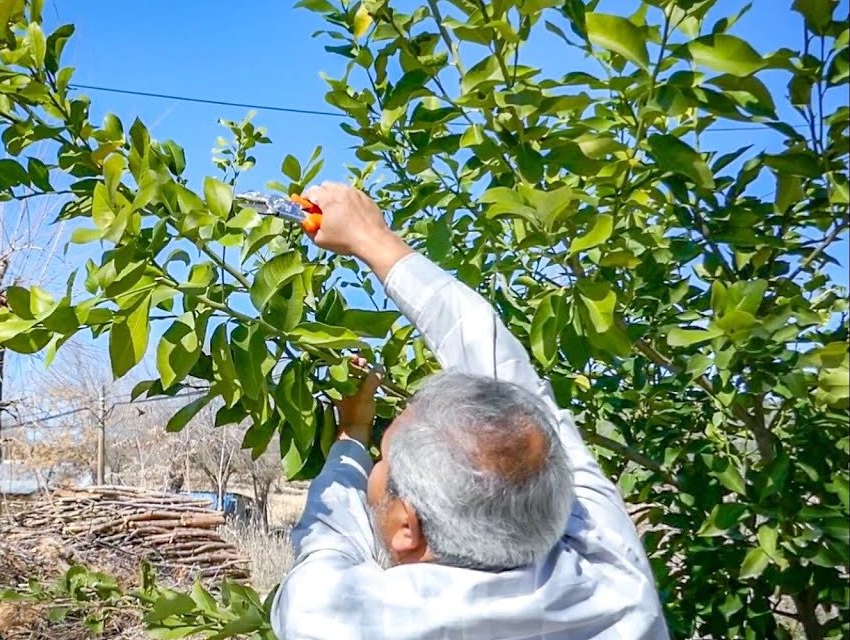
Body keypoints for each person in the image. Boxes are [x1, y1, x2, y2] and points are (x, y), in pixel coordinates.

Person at [271, 183, 668, 639]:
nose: (379, 460)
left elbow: (328, 535)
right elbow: (507, 375)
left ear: (407, 525)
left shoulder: (330, 619)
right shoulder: (617, 588)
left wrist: (351, 435)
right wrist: (373, 238)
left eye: (385, 455)